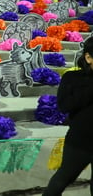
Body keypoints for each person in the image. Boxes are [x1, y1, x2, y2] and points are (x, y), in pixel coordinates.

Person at [42, 36, 93, 195]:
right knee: (62, 179)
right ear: (88, 57)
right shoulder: (72, 78)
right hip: (80, 142)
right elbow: (64, 106)